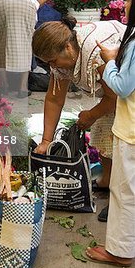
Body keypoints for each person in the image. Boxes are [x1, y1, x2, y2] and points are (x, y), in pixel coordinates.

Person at [32, 18, 126, 219]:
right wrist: (46, 141)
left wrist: (91, 115)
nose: (52, 66)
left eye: (52, 61)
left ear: (68, 47)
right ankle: (108, 181)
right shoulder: (63, 59)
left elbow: (116, 97)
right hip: (115, 92)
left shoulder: (95, 54)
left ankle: (122, 202)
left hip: (127, 90)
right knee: (103, 130)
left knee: (122, 138)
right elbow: (54, 99)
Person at [86, 0, 135, 267]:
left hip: (131, 131)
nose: (125, 4)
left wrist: (109, 65)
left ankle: (120, 252)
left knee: (125, 193)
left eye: (128, 0)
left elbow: (123, 87)